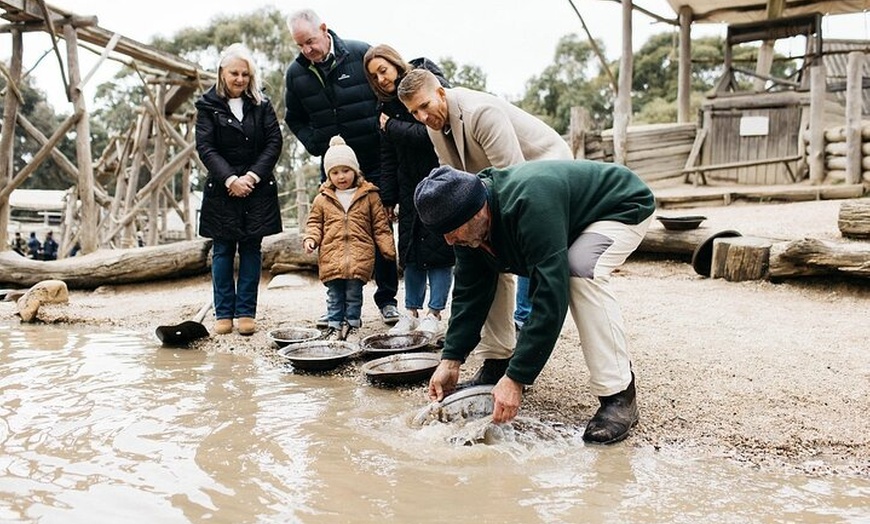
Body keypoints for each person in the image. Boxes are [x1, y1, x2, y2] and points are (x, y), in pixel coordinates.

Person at [414, 161, 656, 444]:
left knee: (579, 270)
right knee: (484, 271)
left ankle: (618, 394)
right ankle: (497, 365)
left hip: (619, 205)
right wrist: (451, 359)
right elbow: (470, 291)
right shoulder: (464, 221)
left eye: (452, 230)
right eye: (442, 232)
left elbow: (550, 297)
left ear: (478, 210)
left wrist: (518, 378)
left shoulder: (530, 204)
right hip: (565, 216)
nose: (448, 239)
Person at [397, 68, 573, 386]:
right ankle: (498, 359)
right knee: (485, 259)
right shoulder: (435, 125)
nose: (422, 116)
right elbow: (451, 180)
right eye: (414, 112)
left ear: (440, 92)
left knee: (520, 264)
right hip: (495, 188)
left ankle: (516, 369)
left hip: (543, 173)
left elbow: (516, 176)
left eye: (424, 106)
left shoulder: (481, 112)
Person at [284, 8, 399, 327]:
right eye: (299, 45)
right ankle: (338, 307)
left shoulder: (361, 53)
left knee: (380, 231)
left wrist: (385, 131)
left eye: (309, 41)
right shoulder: (296, 73)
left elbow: (386, 92)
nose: (307, 50)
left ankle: (387, 299)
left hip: (374, 161)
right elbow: (293, 117)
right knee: (336, 235)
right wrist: (315, 143)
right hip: (333, 167)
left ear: (323, 29)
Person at [363, 44, 454, 337]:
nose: (380, 79)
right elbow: (387, 155)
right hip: (408, 186)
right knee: (411, 251)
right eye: (373, 76)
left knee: (440, 250)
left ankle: (435, 313)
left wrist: (393, 128)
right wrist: (388, 196)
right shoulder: (385, 107)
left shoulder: (427, 82)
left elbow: (431, 133)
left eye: (383, 70)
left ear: (394, 62)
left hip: (439, 177)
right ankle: (411, 311)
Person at [195, 42, 283, 337]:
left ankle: (246, 312)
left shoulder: (262, 104)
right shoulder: (206, 106)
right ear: (222, 72)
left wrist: (252, 176)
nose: (240, 79)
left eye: (245, 74)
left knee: (251, 250)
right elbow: (205, 147)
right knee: (222, 251)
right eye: (234, 73)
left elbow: (274, 143)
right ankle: (224, 313)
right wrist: (231, 179)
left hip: (256, 188)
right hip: (223, 188)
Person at [303, 136, 397, 341]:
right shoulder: (323, 198)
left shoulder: (370, 195)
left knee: (354, 294)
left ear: (355, 170)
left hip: (359, 255)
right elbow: (314, 223)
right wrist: (311, 239)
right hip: (332, 254)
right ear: (329, 175)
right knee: (334, 295)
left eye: (346, 170)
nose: (341, 176)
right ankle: (335, 326)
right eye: (335, 172)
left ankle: (352, 325)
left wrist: (387, 248)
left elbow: (380, 226)